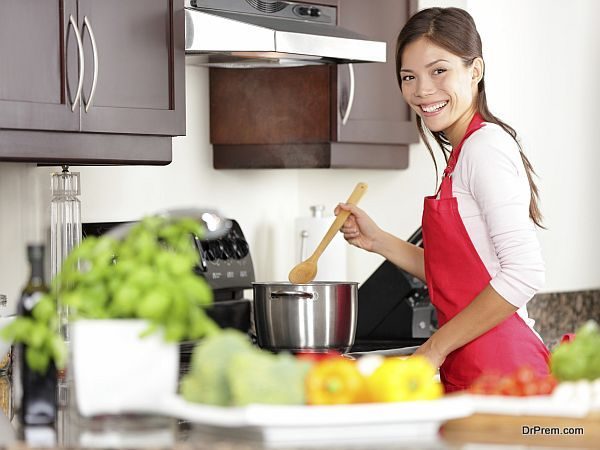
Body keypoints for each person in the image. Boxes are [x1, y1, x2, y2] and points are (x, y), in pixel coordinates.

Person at [336, 7, 549, 393]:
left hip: (505, 373)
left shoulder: (485, 148)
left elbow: (525, 272)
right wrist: (378, 240)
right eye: (409, 77)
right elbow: (460, 276)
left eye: (439, 71)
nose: (422, 90)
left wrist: (433, 349)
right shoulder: (463, 153)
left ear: (475, 70)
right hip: (477, 369)